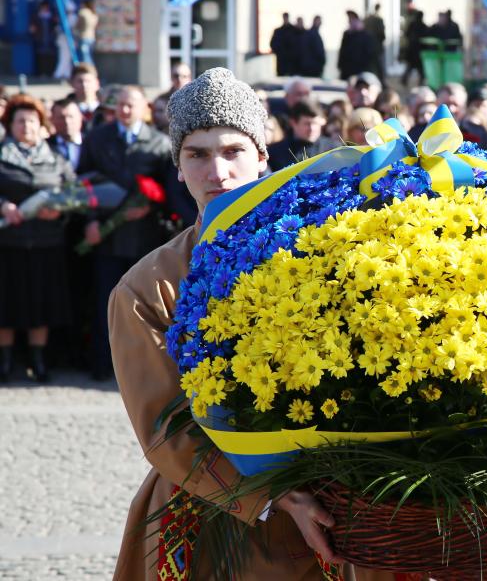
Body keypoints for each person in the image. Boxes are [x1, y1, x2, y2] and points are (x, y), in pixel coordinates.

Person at [108, 68, 394, 581]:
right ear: (177, 165)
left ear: (263, 158)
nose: (216, 171)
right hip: (210, 513)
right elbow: (163, 429)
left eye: (233, 151)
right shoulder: (144, 287)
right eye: (197, 154)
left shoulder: (325, 250)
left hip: (342, 504)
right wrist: (277, 495)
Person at [77, 86, 173, 381]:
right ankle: (101, 365)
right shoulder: (97, 138)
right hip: (106, 237)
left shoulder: (158, 143)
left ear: (144, 107)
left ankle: (139, 369)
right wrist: (91, 221)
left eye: (131, 105)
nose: (125, 110)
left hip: (145, 238)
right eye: (120, 105)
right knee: (105, 302)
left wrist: (150, 209)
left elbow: (171, 190)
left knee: (142, 306)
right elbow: (83, 184)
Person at [0, 94, 77, 383]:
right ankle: (5, 361)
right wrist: (2, 204)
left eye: (31, 121)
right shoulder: (1, 155)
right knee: (7, 303)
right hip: (8, 243)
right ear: (11, 125)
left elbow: (75, 193)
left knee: (41, 304)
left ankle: (38, 360)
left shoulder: (55, 159)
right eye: (20, 121)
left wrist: (58, 211)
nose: (26, 126)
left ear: (41, 125)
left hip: (46, 242)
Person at [267, 100, 339, 171]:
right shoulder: (275, 152)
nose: (312, 128)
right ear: (293, 123)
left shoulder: (333, 149)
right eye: (307, 124)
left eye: (315, 123)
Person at [338, 11, 376, 81]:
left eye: (352, 19)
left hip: (360, 70)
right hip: (347, 71)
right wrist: (340, 65)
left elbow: (369, 53)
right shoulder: (347, 34)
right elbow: (343, 51)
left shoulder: (365, 35)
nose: (350, 21)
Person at [48, 97, 84, 170]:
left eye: (71, 116)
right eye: (61, 117)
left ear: (81, 117)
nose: (67, 122)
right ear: (52, 120)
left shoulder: (93, 142)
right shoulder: (46, 146)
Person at [68, 63, 101, 130]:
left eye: (88, 81)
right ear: (72, 83)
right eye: (80, 81)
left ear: (97, 83)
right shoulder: (65, 110)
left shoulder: (105, 110)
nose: (84, 85)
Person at [401, 9, 428, 87]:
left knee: (413, 68)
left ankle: (408, 80)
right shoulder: (422, 26)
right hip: (417, 51)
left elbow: (406, 34)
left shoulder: (413, 25)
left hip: (413, 50)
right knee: (416, 68)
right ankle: (418, 81)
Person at [30, 1, 56, 77]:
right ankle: (40, 72)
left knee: (49, 56)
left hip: (50, 40)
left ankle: (49, 72)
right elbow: (32, 27)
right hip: (40, 40)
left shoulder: (51, 16)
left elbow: (55, 25)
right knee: (40, 56)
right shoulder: (36, 16)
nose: (45, 9)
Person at [364, 4, 386, 80]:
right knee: (379, 66)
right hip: (376, 46)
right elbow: (382, 34)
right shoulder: (378, 19)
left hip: (367, 46)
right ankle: (381, 82)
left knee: (370, 66)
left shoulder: (367, 19)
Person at [74, 0, 98, 65]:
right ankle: (91, 71)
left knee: (85, 56)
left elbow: (77, 25)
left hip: (83, 36)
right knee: (89, 56)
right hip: (92, 37)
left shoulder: (83, 12)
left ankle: (87, 70)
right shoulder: (93, 13)